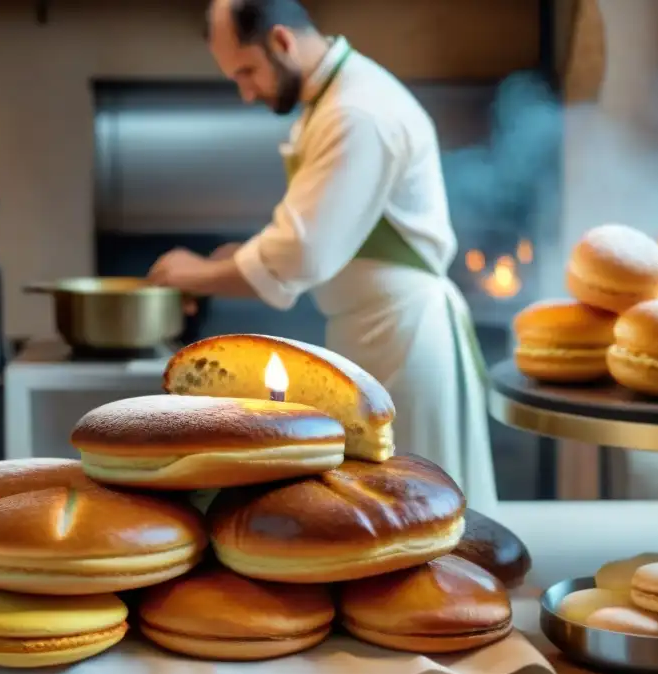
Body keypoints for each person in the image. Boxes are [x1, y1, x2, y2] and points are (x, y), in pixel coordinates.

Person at [148, 0, 497, 513]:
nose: (246, 92)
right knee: (387, 510)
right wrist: (234, 259)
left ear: (283, 41)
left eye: (247, 71)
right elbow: (316, 228)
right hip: (374, 333)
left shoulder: (356, 111)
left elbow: (302, 253)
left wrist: (199, 274)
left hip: (403, 337)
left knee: (417, 512)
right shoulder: (335, 99)